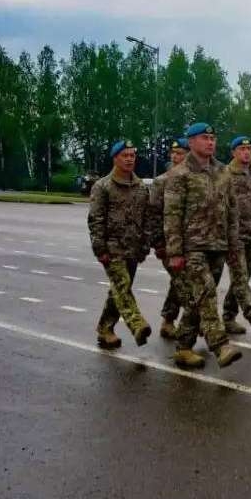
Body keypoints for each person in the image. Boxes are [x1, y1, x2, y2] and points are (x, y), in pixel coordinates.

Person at [162, 123, 245, 369]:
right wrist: (174, 251)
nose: (210, 142)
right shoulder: (180, 173)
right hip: (191, 247)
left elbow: (232, 211)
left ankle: (183, 348)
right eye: (204, 138)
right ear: (191, 142)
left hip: (218, 245)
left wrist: (233, 243)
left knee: (199, 300)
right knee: (207, 293)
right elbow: (172, 215)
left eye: (212, 138)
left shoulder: (222, 171)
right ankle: (220, 345)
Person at [88, 140, 152, 349]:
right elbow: (95, 219)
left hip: (132, 249)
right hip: (112, 248)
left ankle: (105, 328)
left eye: (132, 155)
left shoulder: (141, 187)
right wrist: (100, 249)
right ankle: (137, 324)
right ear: (115, 158)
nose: (129, 158)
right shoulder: (103, 186)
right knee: (122, 287)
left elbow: (147, 219)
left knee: (118, 289)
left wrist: (145, 246)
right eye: (124, 155)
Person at [221, 135, 251, 338]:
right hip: (231, 237)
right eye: (242, 149)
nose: (246, 152)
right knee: (240, 277)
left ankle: (228, 316)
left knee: (242, 278)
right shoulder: (225, 175)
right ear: (233, 152)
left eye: (249, 148)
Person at [149, 137, 188, 340]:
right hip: (168, 243)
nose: (176, 156)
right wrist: (158, 243)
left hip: (190, 243)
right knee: (183, 283)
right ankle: (194, 324)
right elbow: (153, 214)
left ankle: (168, 320)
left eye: (180, 153)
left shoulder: (193, 178)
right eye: (173, 153)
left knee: (179, 282)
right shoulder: (162, 181)